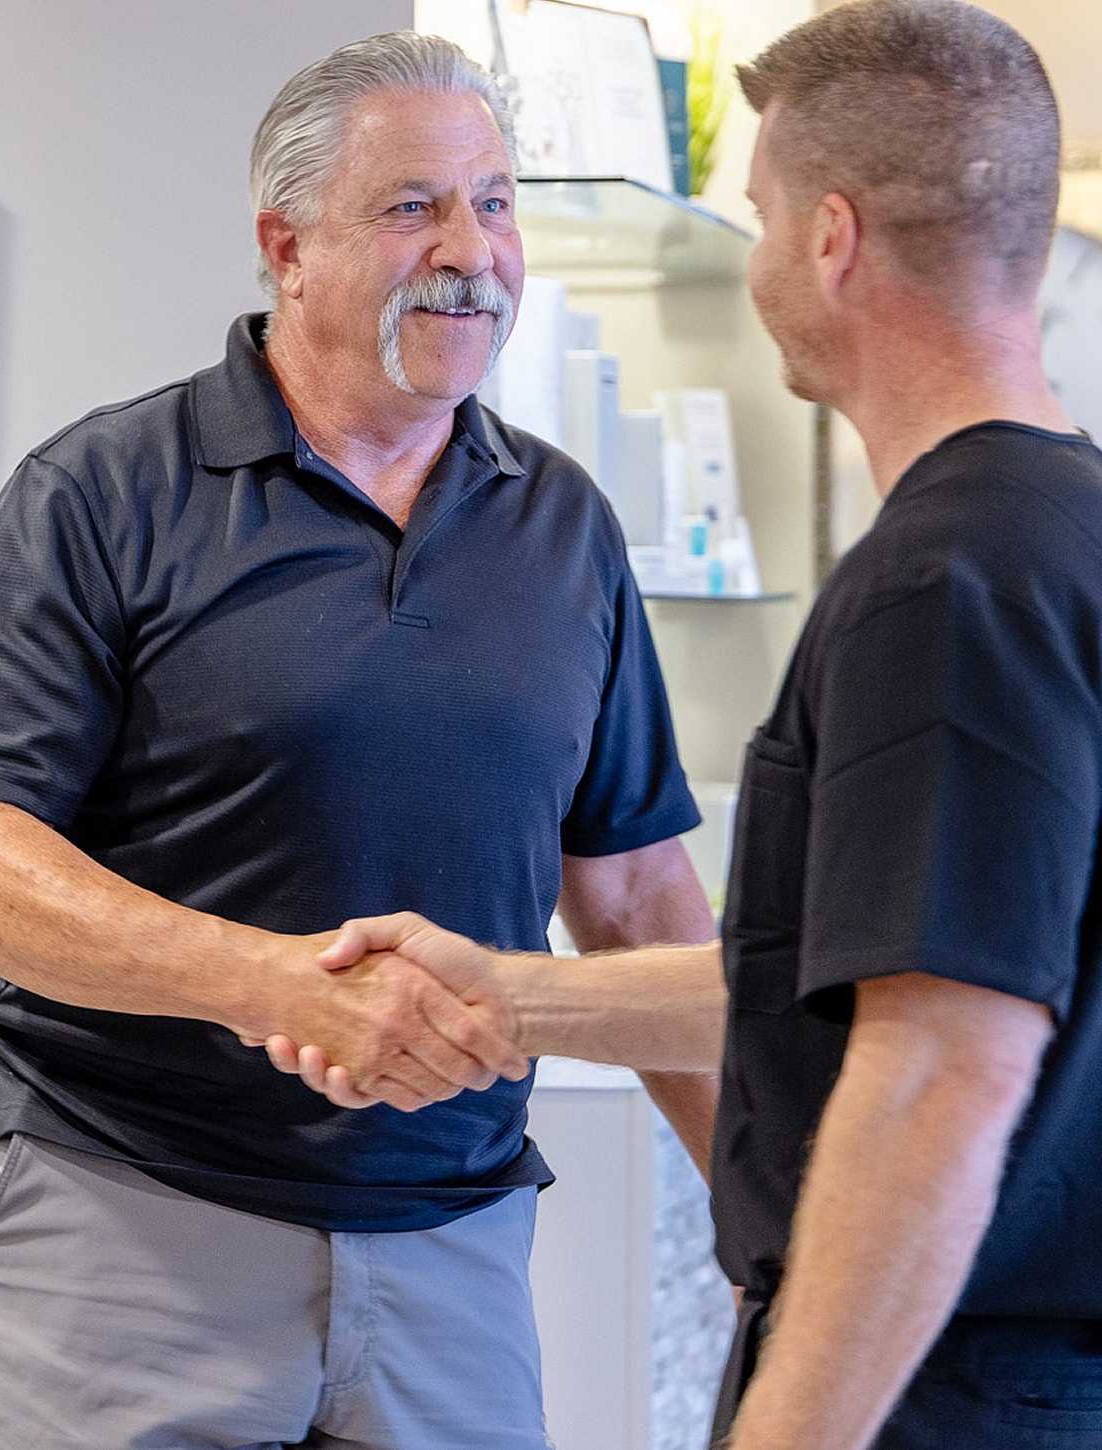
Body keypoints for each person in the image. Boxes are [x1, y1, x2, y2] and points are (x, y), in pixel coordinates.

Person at [284, 3, 1102, 1447]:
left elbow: (934, 1068)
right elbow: (837, 971)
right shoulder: (1059, 530)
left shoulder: (947, 584)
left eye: (767, 219)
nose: (761, 265)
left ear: (833, 241)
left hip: (950, 1383)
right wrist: (506, 990)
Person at [0, 30, 717, 1450]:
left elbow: (637, 891)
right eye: (414, 207)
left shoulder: (565, 524)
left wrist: (757, 1193)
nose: (473, 249)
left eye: (497, 202)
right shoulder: (103, 493)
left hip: (452, 1246)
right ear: (287, 244)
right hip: (128, 1225)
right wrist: (276, 983)